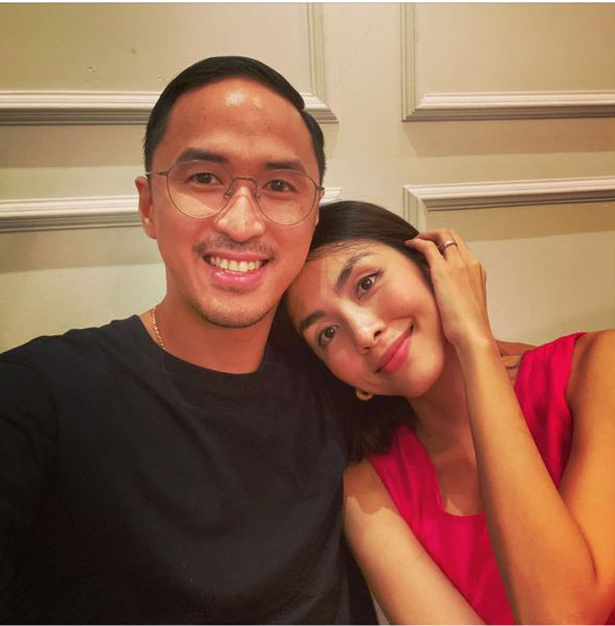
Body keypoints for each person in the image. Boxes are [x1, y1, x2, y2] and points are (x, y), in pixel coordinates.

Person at [0, 57, 377, 623]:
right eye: (204, 178)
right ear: (149, 205)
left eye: (279, 186)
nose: (242, 224)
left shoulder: (340, 376)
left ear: (312, 219)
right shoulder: (37, 398)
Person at [286, 200, 615, 624]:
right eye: (327, 333)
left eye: (366, 282)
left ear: (433, 267)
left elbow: (567, 612)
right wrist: (477, 346)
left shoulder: (601, 368)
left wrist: (475, 340)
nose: (364, 332)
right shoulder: (366, 489)